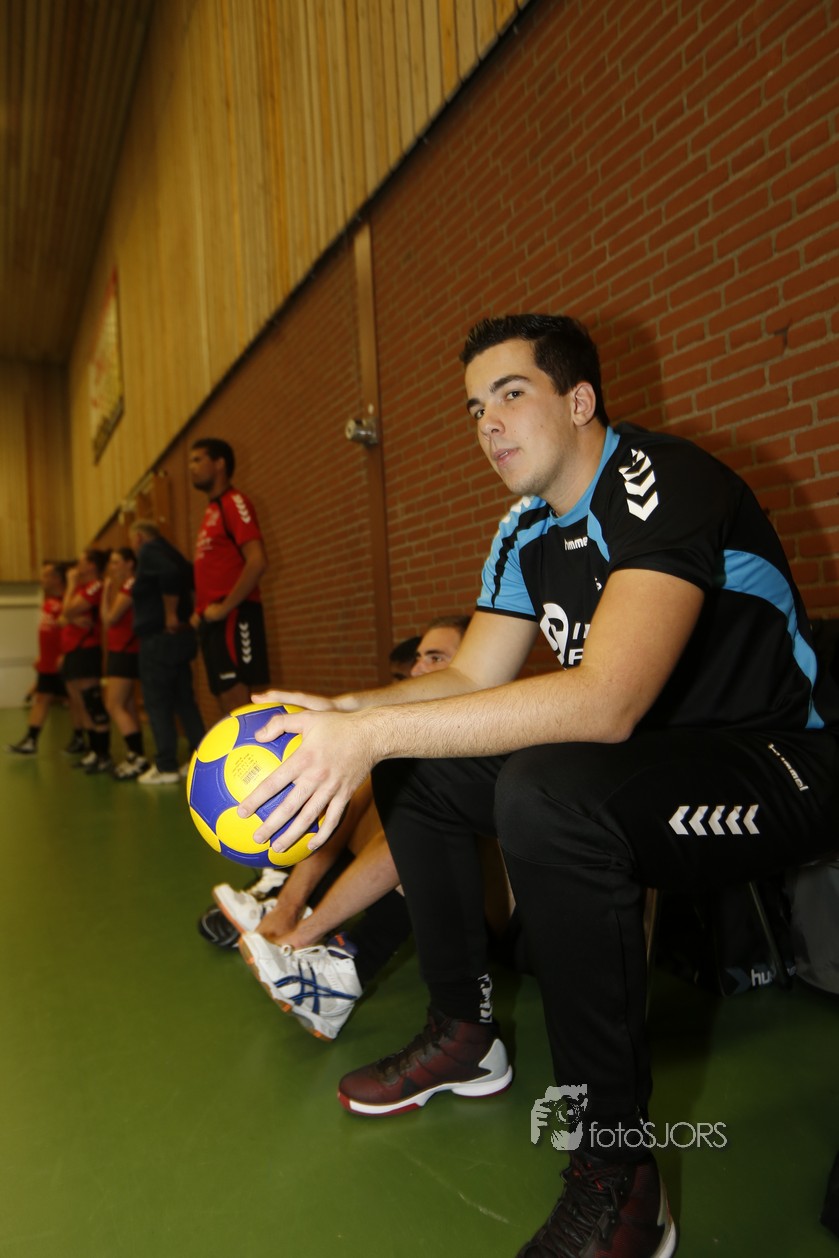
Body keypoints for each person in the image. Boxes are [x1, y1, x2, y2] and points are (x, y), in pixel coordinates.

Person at [233, 314, 839, 1258]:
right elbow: (471, 678)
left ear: (579, 399)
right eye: (475, 407)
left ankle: (619, 1179)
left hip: (782, 762)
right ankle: (463, 1034)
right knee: (422, 769)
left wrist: (368, 731)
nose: (488, 423)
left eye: (510, 394)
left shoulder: (661, 482)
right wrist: (349, 711)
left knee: (546, 793)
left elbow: (605, 700)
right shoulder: (524, 532)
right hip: (653, 769)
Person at [233, 617, 472, 1040]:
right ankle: (288, 904)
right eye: (419, 657)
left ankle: (324, 962)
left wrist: (298, 940)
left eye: (436, 658)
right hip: (421, 885)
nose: (418, 668)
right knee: (359, 777)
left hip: (500, 913)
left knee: (420, 820)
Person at [189, 438, 270, 713]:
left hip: (235, 616)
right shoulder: (211, 510)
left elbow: (257, 561)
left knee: (240, 703)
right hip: (213, 621)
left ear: (219, 463)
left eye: (198, 459)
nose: (192, 467)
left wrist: (224, 607)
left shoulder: (234, 502)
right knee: (226, 702)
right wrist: (200, 611)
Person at [129, 520, 205, 785]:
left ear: (139, 537)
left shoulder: (149, 552)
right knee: (184, 700)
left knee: (158, 702)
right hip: (179, 640)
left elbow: (170, 575)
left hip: (159, 640)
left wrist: (171, 613)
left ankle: (166, 765)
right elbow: (192, 575)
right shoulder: (173, 552)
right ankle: (201, 758)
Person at [7, 561, 70, 754]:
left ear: (56, 578)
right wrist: (43, 658)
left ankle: (83, 740)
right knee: (42, 699)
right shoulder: (48, 603)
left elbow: (71, 632)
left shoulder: (67, 603)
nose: (41, 580)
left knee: (76, 703)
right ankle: (31, 741)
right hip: (47, 664)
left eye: (45, 575)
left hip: (64, 664)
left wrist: (65, 654)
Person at [60, 548, 113, 773]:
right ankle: (93, 751)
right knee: (79, 702)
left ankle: (103, 754)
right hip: (73, 650)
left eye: (81, 562)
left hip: (86, 649)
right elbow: (62, 617)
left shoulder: (94, 586)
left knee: (91, 702)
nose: (77, 567)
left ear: (92, 565)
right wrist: (70, 616)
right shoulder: (82, 588)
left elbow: (67, 610)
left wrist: (70, 586)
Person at [101, 547, 149, 779]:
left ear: (130, 563)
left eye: (116, 562)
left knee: (114, 705)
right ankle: (135, 755)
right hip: (121, 651)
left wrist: (105, 591)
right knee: (127, 705)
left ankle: (138, 756)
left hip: (125, 651)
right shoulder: (126, 585)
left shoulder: (130, 584)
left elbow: (109, 618)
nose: (112, 568)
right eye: (111, 563)